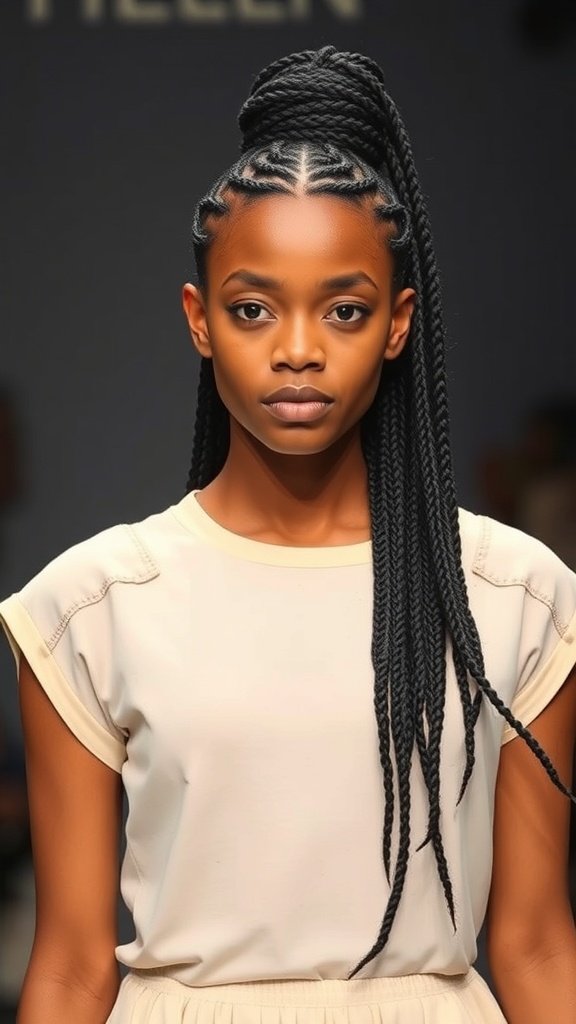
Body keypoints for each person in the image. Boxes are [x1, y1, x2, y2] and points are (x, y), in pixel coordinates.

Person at [1, 45, 575, 1024]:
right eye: (254, 307)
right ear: (199, 320)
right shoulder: (92, 606)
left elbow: (531, 941)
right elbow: (69, 966)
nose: (298, 349)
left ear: (397, 324)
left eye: (343, 309)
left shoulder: (511, 594)